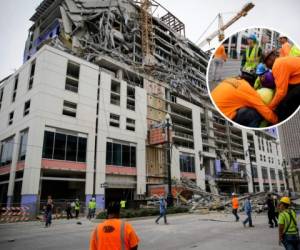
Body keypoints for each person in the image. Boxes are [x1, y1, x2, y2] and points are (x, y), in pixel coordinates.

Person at [211, 70, 278, 127]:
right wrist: (276, 121)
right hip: (219, 117)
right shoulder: (247, 89)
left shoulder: (230, 79)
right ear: (252, 82)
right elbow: (264, 110)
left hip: (210, 106)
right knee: (253, 114)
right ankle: (252, 133)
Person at [263, 50, 300, 121]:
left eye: (266, 63)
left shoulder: (277, 65)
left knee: (284, 105)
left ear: (270, 59)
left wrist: (270, 107)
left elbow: (281, 92)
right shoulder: (281, 60)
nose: (266, 66)